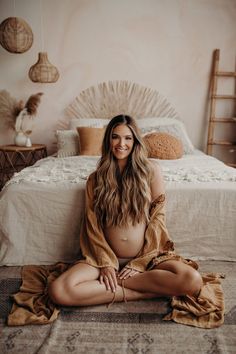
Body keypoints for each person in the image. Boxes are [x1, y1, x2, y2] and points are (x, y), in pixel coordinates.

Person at [49, 114, 203, 306]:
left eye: (128, 138)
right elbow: (92, 225)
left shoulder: (151, 171)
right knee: (59, 291)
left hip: (147, 257)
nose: (121, 143)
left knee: (192, 280)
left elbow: (157, 217)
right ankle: (143, 293)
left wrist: (140, 263)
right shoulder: (95, 179)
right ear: (108, 140)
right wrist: (106, 262)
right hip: (103, 259)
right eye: (115, 137)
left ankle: (116, 285)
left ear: (135, 141)